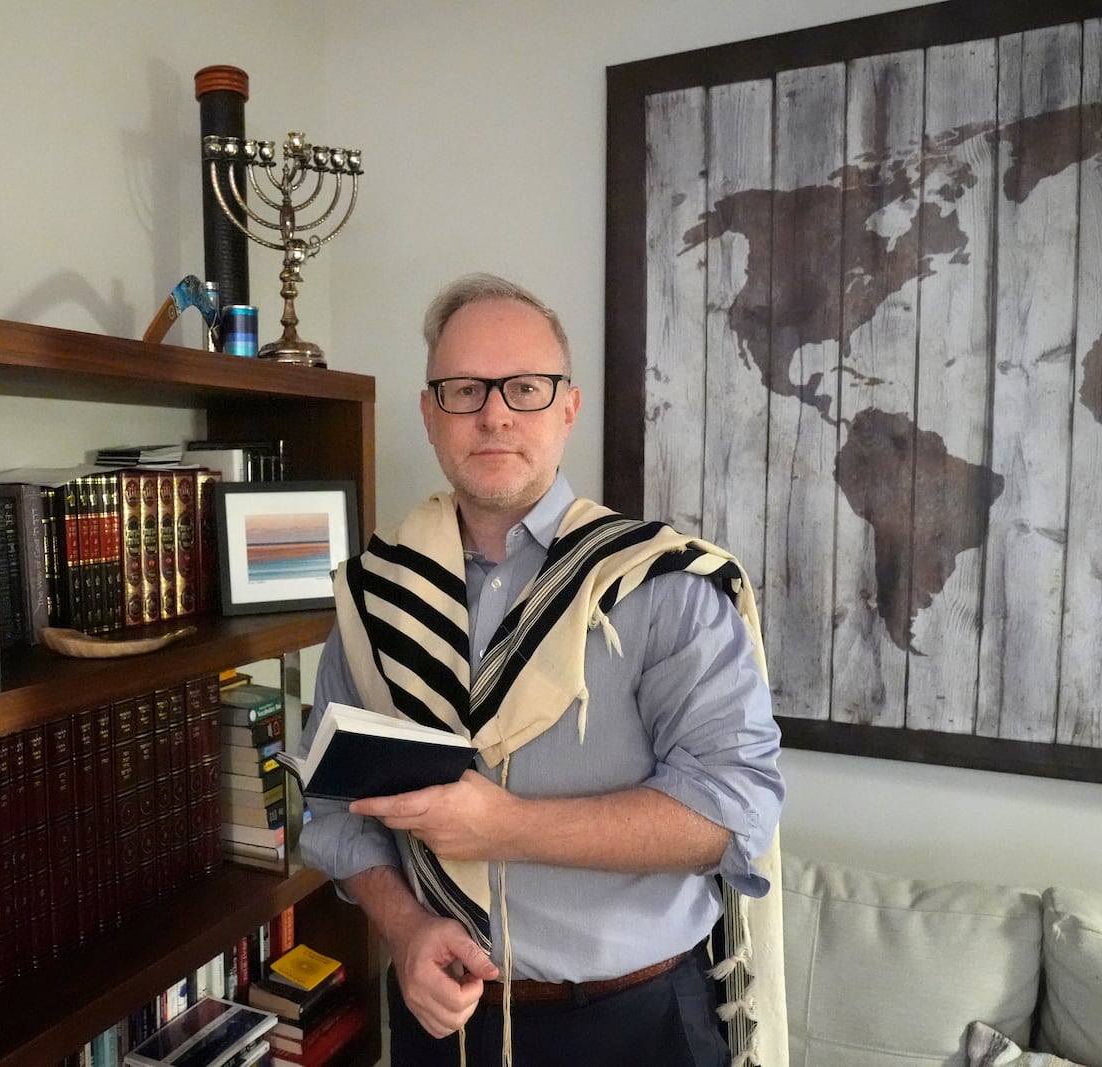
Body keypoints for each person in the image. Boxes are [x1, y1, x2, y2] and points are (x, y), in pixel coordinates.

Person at [297, 273, 784, 1066]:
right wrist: (409, 927)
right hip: (442, 1018)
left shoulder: (662, 588)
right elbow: (335, 805)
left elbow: (731, 813)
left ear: (567, 407)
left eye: (525, 387)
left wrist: (507, 826)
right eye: (464, 390)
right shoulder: (376, 596)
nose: (494, 413)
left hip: (636, 1023)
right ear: (429, 412)